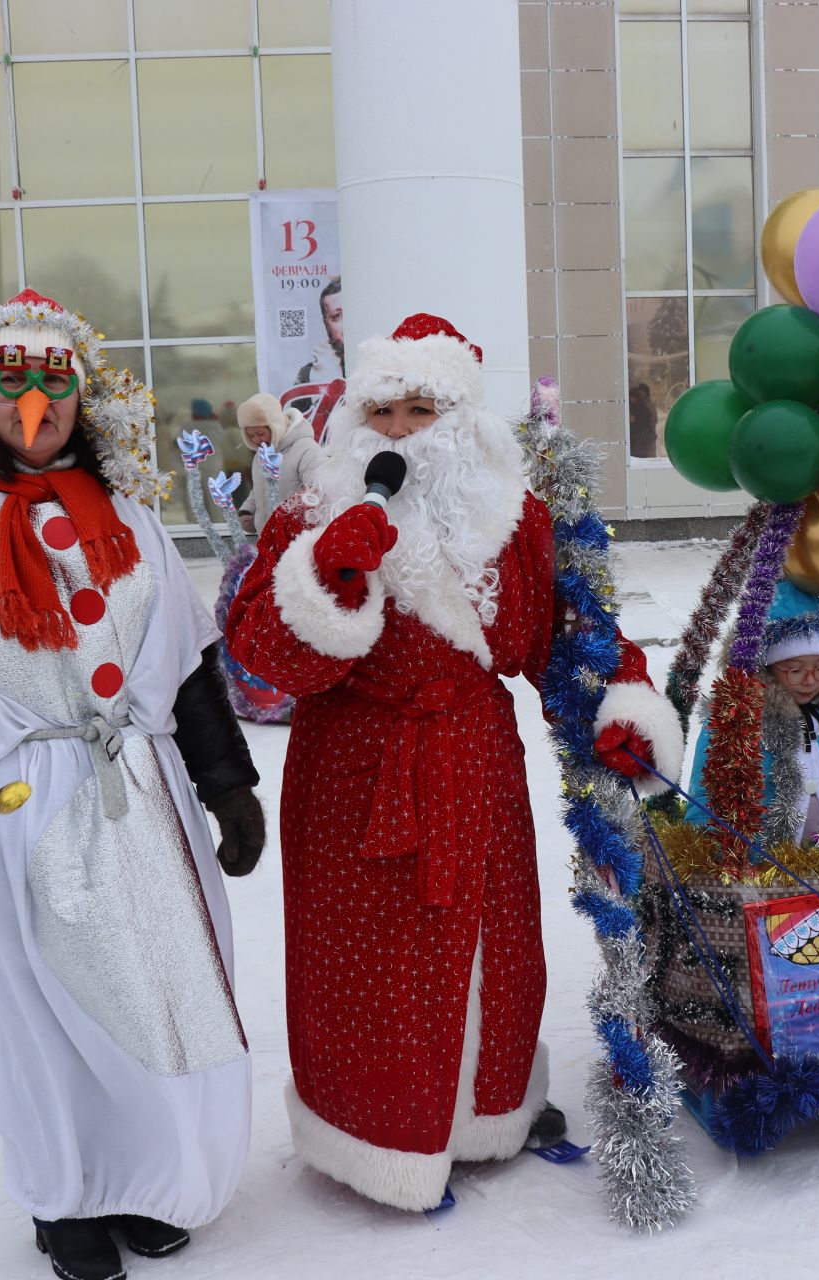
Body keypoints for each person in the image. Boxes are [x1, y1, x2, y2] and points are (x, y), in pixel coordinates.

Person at [0, 288, 265, 1280]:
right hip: (10, 807)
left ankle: (145, 1176)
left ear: (83, 395)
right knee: (37, 1015)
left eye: (55, 382)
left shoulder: (127, 512)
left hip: (140, 792)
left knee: (157, 994)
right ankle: (67, 1198)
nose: (35, 401)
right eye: (13, 382)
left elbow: (192, 665)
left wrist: (227, 784)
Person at [225, 313, 681, 1212]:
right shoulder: (310, 516)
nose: (396, 430)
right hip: (359, 768)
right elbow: (262, 656)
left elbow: (570, 633)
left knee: (492, 941)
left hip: (473, 755)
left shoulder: (518, 520)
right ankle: (378, 1136)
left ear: (463, 420)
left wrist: (620, 700)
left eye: (420, 410)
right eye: (381, 410)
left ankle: (488, 1110)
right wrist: (328, 577)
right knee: (372, 959)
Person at [687, 581, 819, 844]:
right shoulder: (735, 720)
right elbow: (705, 800)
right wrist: (713, 856)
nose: (811, 680)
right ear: (766, 668)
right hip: (766, 870)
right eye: (795, 670)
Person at [236, 391, 321, 533]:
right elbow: (260, 487)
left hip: (298, 540)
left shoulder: (306, 449)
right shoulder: (260, 455)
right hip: (267, 538)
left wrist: (289, 518)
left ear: (275, 426)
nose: (256, 440)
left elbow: (317, 492)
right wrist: (247, 511)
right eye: (251, 435)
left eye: (260, 433)